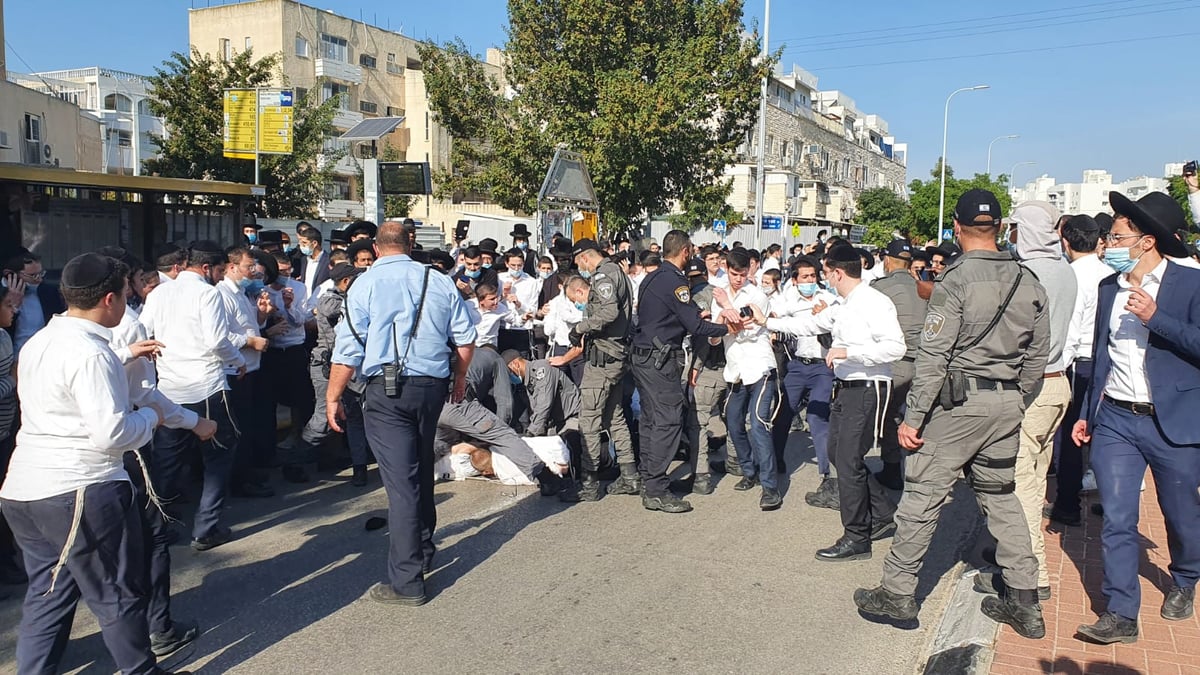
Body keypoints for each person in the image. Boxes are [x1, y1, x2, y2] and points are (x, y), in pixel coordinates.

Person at [854, 189, 1050, 639]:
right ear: (999, 228)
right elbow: (1038, 357)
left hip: (957, 407)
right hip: (1006, 405)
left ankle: (898, 592)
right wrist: (1014, 398)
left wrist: (912, 418)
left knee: (921, 499)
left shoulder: (955, 281)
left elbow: (933, 357)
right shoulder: (1028, 280)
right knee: (1001, 497)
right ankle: (1025, 598)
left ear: (957, 229)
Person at [0, 253, 192, 675]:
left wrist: (122, 355)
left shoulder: (39, 342)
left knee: (48, 592)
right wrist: (153, 416)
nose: (128, 303)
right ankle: (141, 669)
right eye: (126, 295)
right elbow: (112, 433)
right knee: (114, 591)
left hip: (24, 488)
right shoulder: (92, 354)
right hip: (80, 488)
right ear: (109, 299)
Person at [1070, 191, 1200, 644]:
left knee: (1181, 515)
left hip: (1175, 423)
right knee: (1117, 517)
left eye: (1117, 236)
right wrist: (1088, 413)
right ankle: (1122, 612)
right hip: (1117, 421)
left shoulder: (1192, 284)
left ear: (1146, 242)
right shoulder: (1109, 287)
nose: (1109, 243)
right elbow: (1101, 357)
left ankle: (1185, 578)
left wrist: (1156, 317)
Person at [327, 220, 476, 607]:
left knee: (400, 482)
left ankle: (408, 581)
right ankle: (423, 547)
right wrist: (459, 379)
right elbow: (465, 338)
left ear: (375, 249)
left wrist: (332, 397)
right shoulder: (439, 281)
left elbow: (348, 349)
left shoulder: (366, 284)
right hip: (430, 386)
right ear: (409, 244)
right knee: (420, 465)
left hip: (386, 391)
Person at [758, 245, 905, 557]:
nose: (822, 278)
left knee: (849, 460)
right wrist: (766, 323)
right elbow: (809, 325)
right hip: (847, 387)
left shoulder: (874, 302)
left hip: (868, 387)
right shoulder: (843, 304)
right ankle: (882, 509)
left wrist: (849, 353)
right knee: (838, 454)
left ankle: (856, 536)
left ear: (838, 273)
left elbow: (895, 347)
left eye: (825, 272)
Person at [976, 200, 1076, 601]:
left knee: (1020, 488)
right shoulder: (1064, 269)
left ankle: (1031, 577)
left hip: (1031, 388)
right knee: (1034, 475)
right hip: (1057, 384)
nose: (1009, 236)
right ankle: (1012, 556)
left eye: (1014, 228)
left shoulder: (1027, 273)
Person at [139, 241, 245, 552]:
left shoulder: (159, 292)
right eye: (220, 270)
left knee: (167, 460)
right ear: (207, 268)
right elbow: (216, 340)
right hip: (208, 386)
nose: (220, 276)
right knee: (218, 456)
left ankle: (159, 523)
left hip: (170, 388)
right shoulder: (207, 293)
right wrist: (237, 360)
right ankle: (206, 528)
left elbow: (144, 332)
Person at [632, 230, 733, 513]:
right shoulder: (677, 281)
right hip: (660, 359)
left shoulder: (652, 276)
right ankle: (656, 489)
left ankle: (648, 477)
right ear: (686, 251)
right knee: (668, 421)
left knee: (651, 421)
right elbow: (696, 327)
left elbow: (668, 315)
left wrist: (691, 315)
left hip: (644, 356)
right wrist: (728, 327)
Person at [1048, 215, 1113, 526]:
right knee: (1100, 434)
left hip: (1077, 362)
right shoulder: (1110, 272)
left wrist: (1059, 368)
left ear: (1065, 241)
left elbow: (1070, 331)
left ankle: (1067, 504)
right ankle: (1108, 501)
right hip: (1104, 362)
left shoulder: (1070, 276)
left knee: (1070, 437)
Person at [709, 249, 781, 510]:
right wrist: (721, 317)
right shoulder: (718, 292)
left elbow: (744, 327)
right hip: (735, 369)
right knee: (733, 420)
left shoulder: (757, 295)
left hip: (760, 367)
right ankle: (748, 470)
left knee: (760, 424)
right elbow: (715, 336)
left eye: (742, 274)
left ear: (749, 271)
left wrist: (726, 308)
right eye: (733, 274)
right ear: (726, 269)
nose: (738, 279)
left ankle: (770, 486)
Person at [569, 239, 638, 501]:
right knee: (614, 416)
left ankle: (589, 484)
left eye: (579, 263)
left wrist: (580, 328)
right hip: (616, 355)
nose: (580, 268)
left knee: (589, 419)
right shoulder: (616, 271)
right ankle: (630, 475)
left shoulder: (604, 276)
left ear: (585, 257)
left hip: (604, 357)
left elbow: (608, 313)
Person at [769, 257, 839, 507]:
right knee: (783, 413)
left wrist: (827, 318)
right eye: (805, 277)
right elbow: (772, 316)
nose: (810, 281)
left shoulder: (829, 300)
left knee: (818, 418)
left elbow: (843, 326)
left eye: (813, 276)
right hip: (797, 366)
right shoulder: (788, 300)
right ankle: (774, 461)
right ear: (795, 280)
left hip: (822, 367)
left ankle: (828, 477)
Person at [298, 263, 370, 485]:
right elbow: (330, 310)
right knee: (323, 419)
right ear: (347, 282)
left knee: (355, 417)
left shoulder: (348, 298)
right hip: (328, 367)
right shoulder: (331, 298)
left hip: (350, 366)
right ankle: (296, 460)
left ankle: (358, 467)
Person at [869, 240, 927, 491]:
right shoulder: (923, 286)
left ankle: (892, 468)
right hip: (926, 362)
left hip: (897, 363)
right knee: (921, 417)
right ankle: (922, 471)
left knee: (889, 416)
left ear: (888, 261)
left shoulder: (880, 288)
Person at [5, 249, 66, 357]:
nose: (39, 280)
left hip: (43, 355)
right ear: (10, 275)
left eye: (41, 274)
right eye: (33, 275)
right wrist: (12, 307)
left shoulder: (48, 292)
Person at [294, 225, 330, 297]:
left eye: (304, 243)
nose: (301, 246)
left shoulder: (328, 261)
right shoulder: (304, 260)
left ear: (314, 243)